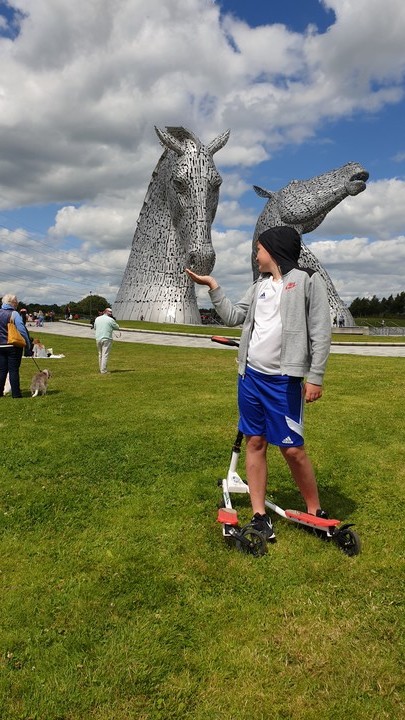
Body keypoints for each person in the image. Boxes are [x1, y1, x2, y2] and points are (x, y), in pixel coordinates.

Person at [186, 226, 331, 542]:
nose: (256, 255)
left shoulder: (307, 280)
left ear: (274, 250)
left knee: (292, 449)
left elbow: (321, 331)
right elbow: (233, 317)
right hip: (250, 378)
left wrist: (315, 376)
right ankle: (259, 515)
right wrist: (213, 287)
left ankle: (315, 511)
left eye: (259, 249)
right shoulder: (259, 286)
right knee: (255, 442)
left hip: (284, 382)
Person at [0, 293, 32, 398]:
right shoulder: (14, 314)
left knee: (2, 370)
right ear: (13, 303)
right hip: (13, 345)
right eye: (16, 302)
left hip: (0, 346)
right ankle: (16, 394)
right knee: (13, 370)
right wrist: (27, 344)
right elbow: (22, 330)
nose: (17, 304)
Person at [94, 308, 120, 374]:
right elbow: (117, 327)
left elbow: (95, 327)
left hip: (98, 338)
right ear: (106, 312)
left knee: (100, 354)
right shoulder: (111, 320)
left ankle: (101, 369)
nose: (111, 313)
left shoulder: (97, 318)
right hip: (107, 338)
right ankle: (103, 370)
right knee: (105, 354)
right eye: (110, 312)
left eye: (111, 312)